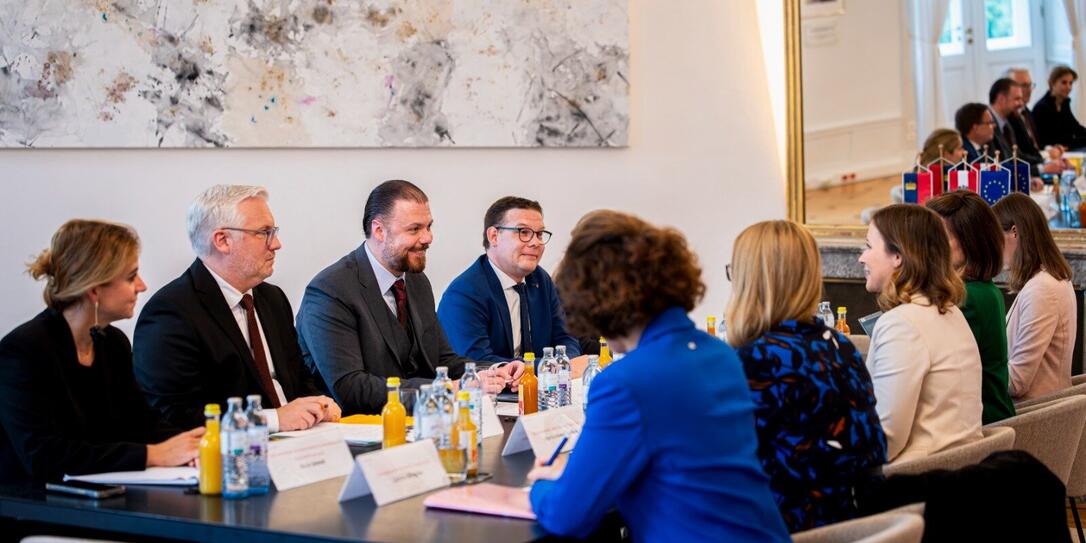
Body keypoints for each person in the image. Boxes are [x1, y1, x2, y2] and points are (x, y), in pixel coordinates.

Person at [526, 210, 790, 541]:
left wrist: (542, 485)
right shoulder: (719, 354)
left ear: (596, 303)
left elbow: (568, 516)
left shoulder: (626, 382)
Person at [0, 220, 203, 484]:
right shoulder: (23, 352)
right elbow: (44, 457)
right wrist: (152, 455)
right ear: (94, 289)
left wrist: (194, 445)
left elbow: (143, 421)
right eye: (131, 277)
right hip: (38, 508)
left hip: (104, 495)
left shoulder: (112, 343)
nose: (142, 286)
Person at [296, 180, 523, 414]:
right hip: (358, 432)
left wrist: (494, 370)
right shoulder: (330, 291)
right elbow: (352, 389)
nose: (428, 238)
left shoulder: (416, 281)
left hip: (422, 424)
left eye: (429, 227)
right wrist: (449, 389)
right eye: (414, 229)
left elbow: (443, 359)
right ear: (379, 231)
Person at [134, 185, 340, 431]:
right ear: (222, 240)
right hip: (235, 452)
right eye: (264, 233)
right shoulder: (171, 313)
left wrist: (319, 404)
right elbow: (177, 415)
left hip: (302, 444)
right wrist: (274, 419)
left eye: (273, 232)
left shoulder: (272, 298)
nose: (276, 244)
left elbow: (299, 378)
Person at [727, 220, 886, 533]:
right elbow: (871, 453)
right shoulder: (841, 347)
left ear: (750, 283)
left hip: (777, 531)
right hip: (848, 526)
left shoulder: (751, 363)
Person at [859, 204, 982, 463]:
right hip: (960, 474)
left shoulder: (902, 324)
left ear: (898, 257)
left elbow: (885, 439)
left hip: (916, 482)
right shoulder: (949, 312)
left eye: (869, 246)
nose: (862, 257)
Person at [438, 196, 581, 362]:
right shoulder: (464, 294)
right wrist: (550, 366)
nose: (536, 242)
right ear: (493, 236)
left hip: (544, 383)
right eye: (524, 232)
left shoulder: (540, 280)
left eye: (540, 234)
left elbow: (566, 338)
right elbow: (479, 363)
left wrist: (566, 362)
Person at [926, 191, 1015, 424]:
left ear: (970, 242)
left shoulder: (968, 296)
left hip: (983, 426)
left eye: (940, 237)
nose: (930, 246)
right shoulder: (982, 289)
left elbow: (939, 374)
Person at [992, 193, 1076, 400]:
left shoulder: (1042, 289)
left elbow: (1017, 382)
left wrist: (974, 371)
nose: (993, 246)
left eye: (995, 236)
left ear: (1014, 232)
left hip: (1033, 418)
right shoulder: (1047, 280)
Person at [1033, 65, 1086, 149]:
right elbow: (1051, 142)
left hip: (1068, 149)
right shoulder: (1041, 108)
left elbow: (1076, 128)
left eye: (1071, 83)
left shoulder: (1064, 103)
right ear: (1052, 83)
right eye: (1064, 83)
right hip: (1053, 154)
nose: (1069, 87)